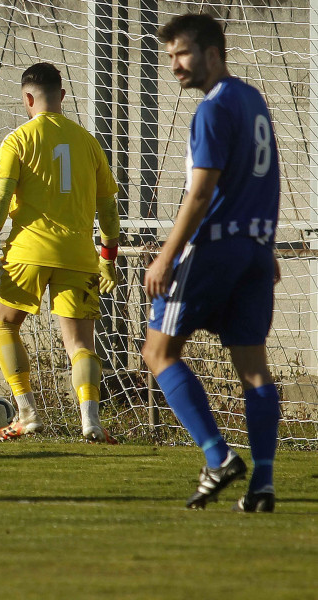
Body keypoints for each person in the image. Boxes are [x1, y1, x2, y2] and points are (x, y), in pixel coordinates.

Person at [143, 14, 281, 512]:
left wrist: (166, 255)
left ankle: (218, 456)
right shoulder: (253, 100)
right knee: (254, 369)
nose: (175, 65)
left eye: (182, 54)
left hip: (215, 248)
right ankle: (262, 485)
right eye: (170, 56)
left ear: (211, 52)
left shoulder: (212, 108)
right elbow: (268, 178)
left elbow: (200, 193)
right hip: (254, 250)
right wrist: (263, 247)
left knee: (157, 353)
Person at [0, 62, 122, 444]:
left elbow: (0, 199)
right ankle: (91, 424)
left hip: (27, 252)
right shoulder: (89, 142)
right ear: (63, 97)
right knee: (81, 344)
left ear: (27, 97)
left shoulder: (17, 140)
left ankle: (27, 415)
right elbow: (108, 210)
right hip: (78, 255)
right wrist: (108, 258)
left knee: (5, 324)